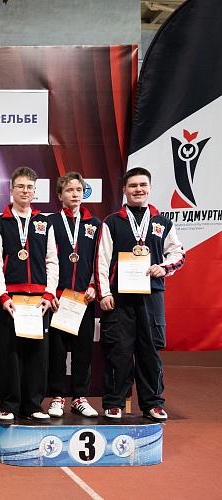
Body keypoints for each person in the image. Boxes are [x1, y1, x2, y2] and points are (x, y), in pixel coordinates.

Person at [96, 167, 185, 421]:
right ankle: (114, 402)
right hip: (120, 297)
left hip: (151, 296)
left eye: (143, 185)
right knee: (119, 351)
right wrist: (104, 293)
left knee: (150, 351)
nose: (138, 189)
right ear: (124, 190)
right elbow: (101, 260)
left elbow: (178, 254)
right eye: (133, 185)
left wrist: (163, 267)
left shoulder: (162, 222)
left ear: (150, 188)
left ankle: (152, 403)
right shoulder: (112, 222)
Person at [0, 167, 58, 421]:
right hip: (12, 300)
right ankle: (8, 406)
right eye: (20, 186)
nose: (25, 191)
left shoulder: (44, 223)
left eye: (29, 187)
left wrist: (49, 294)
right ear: (11, 190)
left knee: (37, 354)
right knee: (10, 354)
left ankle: (33, 406)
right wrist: (2, 296)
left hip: (38, 301)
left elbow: (52, 260)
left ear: (35, 191)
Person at [46, 172, 100, 418]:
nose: (75, 194)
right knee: (57, 351)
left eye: (79, 190)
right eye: (69, 190)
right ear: (60, 195)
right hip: (58, 299)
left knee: (83, 351)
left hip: (84, 299)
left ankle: (79, 397)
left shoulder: (94, 224)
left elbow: (100, 259)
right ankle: (57, 396)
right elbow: (43, 260)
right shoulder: (49, 223)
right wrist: (50, 292)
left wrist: (94, 285)